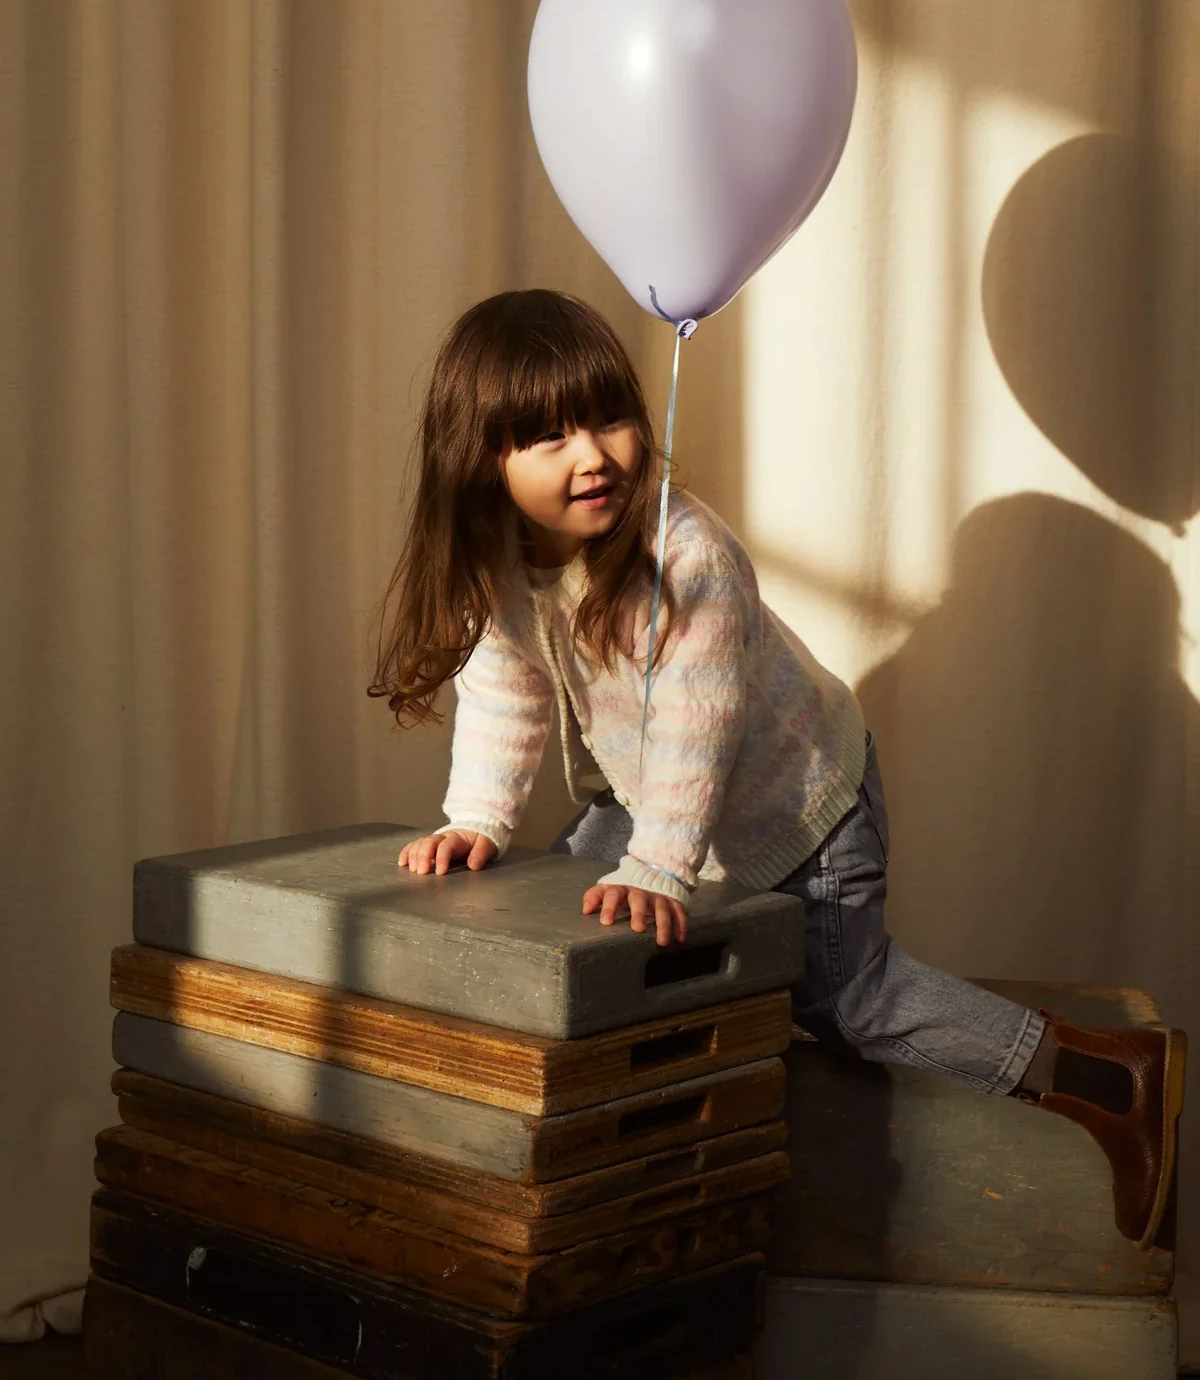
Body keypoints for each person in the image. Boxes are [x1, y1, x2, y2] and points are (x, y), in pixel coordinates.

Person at [370, 288, 1185, 1251]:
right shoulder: (503, 561)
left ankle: (1108, 1077)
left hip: (797, 812)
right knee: (570, 937)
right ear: (483, 461)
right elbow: (506, 690)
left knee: (851, 1001)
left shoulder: (688, 555)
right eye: (550, 437)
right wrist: (478, 816)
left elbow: (698, 725)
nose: (594, 456)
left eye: (610, 418)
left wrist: (659, 866)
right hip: (656, 802)